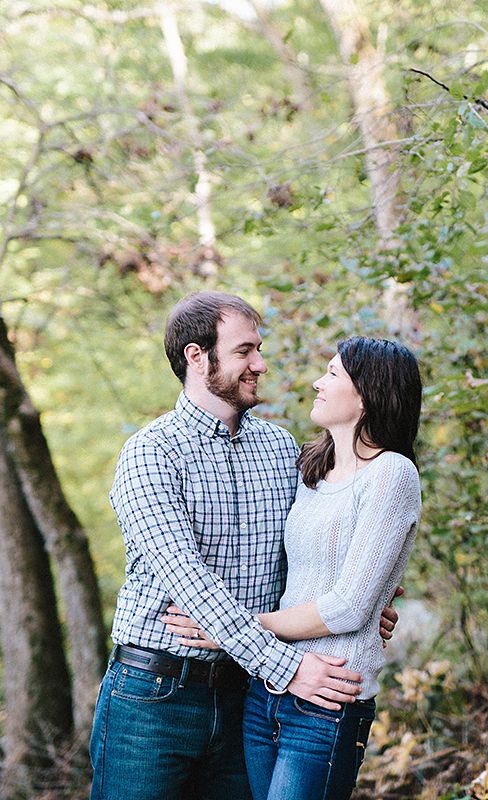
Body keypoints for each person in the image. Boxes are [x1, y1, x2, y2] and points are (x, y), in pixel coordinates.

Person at [89, 292, 397, 800]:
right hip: (154, 698)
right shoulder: (150, 453)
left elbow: (320, 546)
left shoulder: (281, 449)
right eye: (244, 351)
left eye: (259, 349)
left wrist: (368, 603)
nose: (261, 363)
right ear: (196, 356)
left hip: (247, 697)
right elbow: (189, 582)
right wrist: (289, 667)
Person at [163, 336, 423, 800]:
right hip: (267, 691)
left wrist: (231, 629)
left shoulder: (392, 474)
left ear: (367, 393)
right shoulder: (311, 469)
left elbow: (345, 608)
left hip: (330, 695)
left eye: (332, 374)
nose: (317, 383)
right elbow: (298, 573)